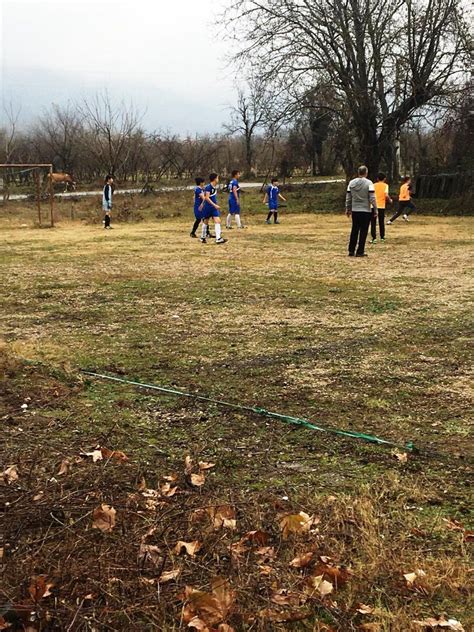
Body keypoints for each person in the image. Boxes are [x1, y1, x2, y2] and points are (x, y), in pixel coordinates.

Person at [346, 165, 377, 257]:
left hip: (355, 210)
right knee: (363, 231)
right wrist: (375, 209)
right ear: (366, 173)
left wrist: (348, 208)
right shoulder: (369, 183)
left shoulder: (351, 183)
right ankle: (360, 251)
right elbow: (372, 198)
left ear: (358, 172)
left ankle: (351, 250)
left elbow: (348, 197)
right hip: (365, 210)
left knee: (354, 229)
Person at [201, 173, 227, 244]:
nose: (218, 179)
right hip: (208, 207)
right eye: (217, 178)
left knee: (217, 220)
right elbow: (207, 197)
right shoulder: (208, 187)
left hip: (213, 208)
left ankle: (218, 238)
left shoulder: (214, 187)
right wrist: (214, 205)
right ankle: (202, 237)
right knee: (206, 221)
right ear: (215, 179)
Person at [371, 172, 392, 243]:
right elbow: (386, 195)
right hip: (381, 206)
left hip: (373, 206)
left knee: (373, 222)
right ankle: (382, 237)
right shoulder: (385, 185)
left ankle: (374, 238)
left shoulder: (373, 185)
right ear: (384, 179)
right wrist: (390, 200)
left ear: (377, 179)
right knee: (381, 222)